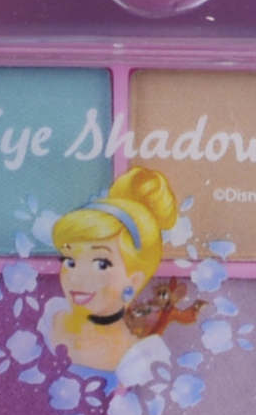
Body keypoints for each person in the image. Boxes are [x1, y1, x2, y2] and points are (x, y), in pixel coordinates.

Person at [42, 161, 204, 381]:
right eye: (69, 261)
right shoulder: (52, 319)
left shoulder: (139, 356)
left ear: (134, 280)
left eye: (101, 264)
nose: (76, 277)